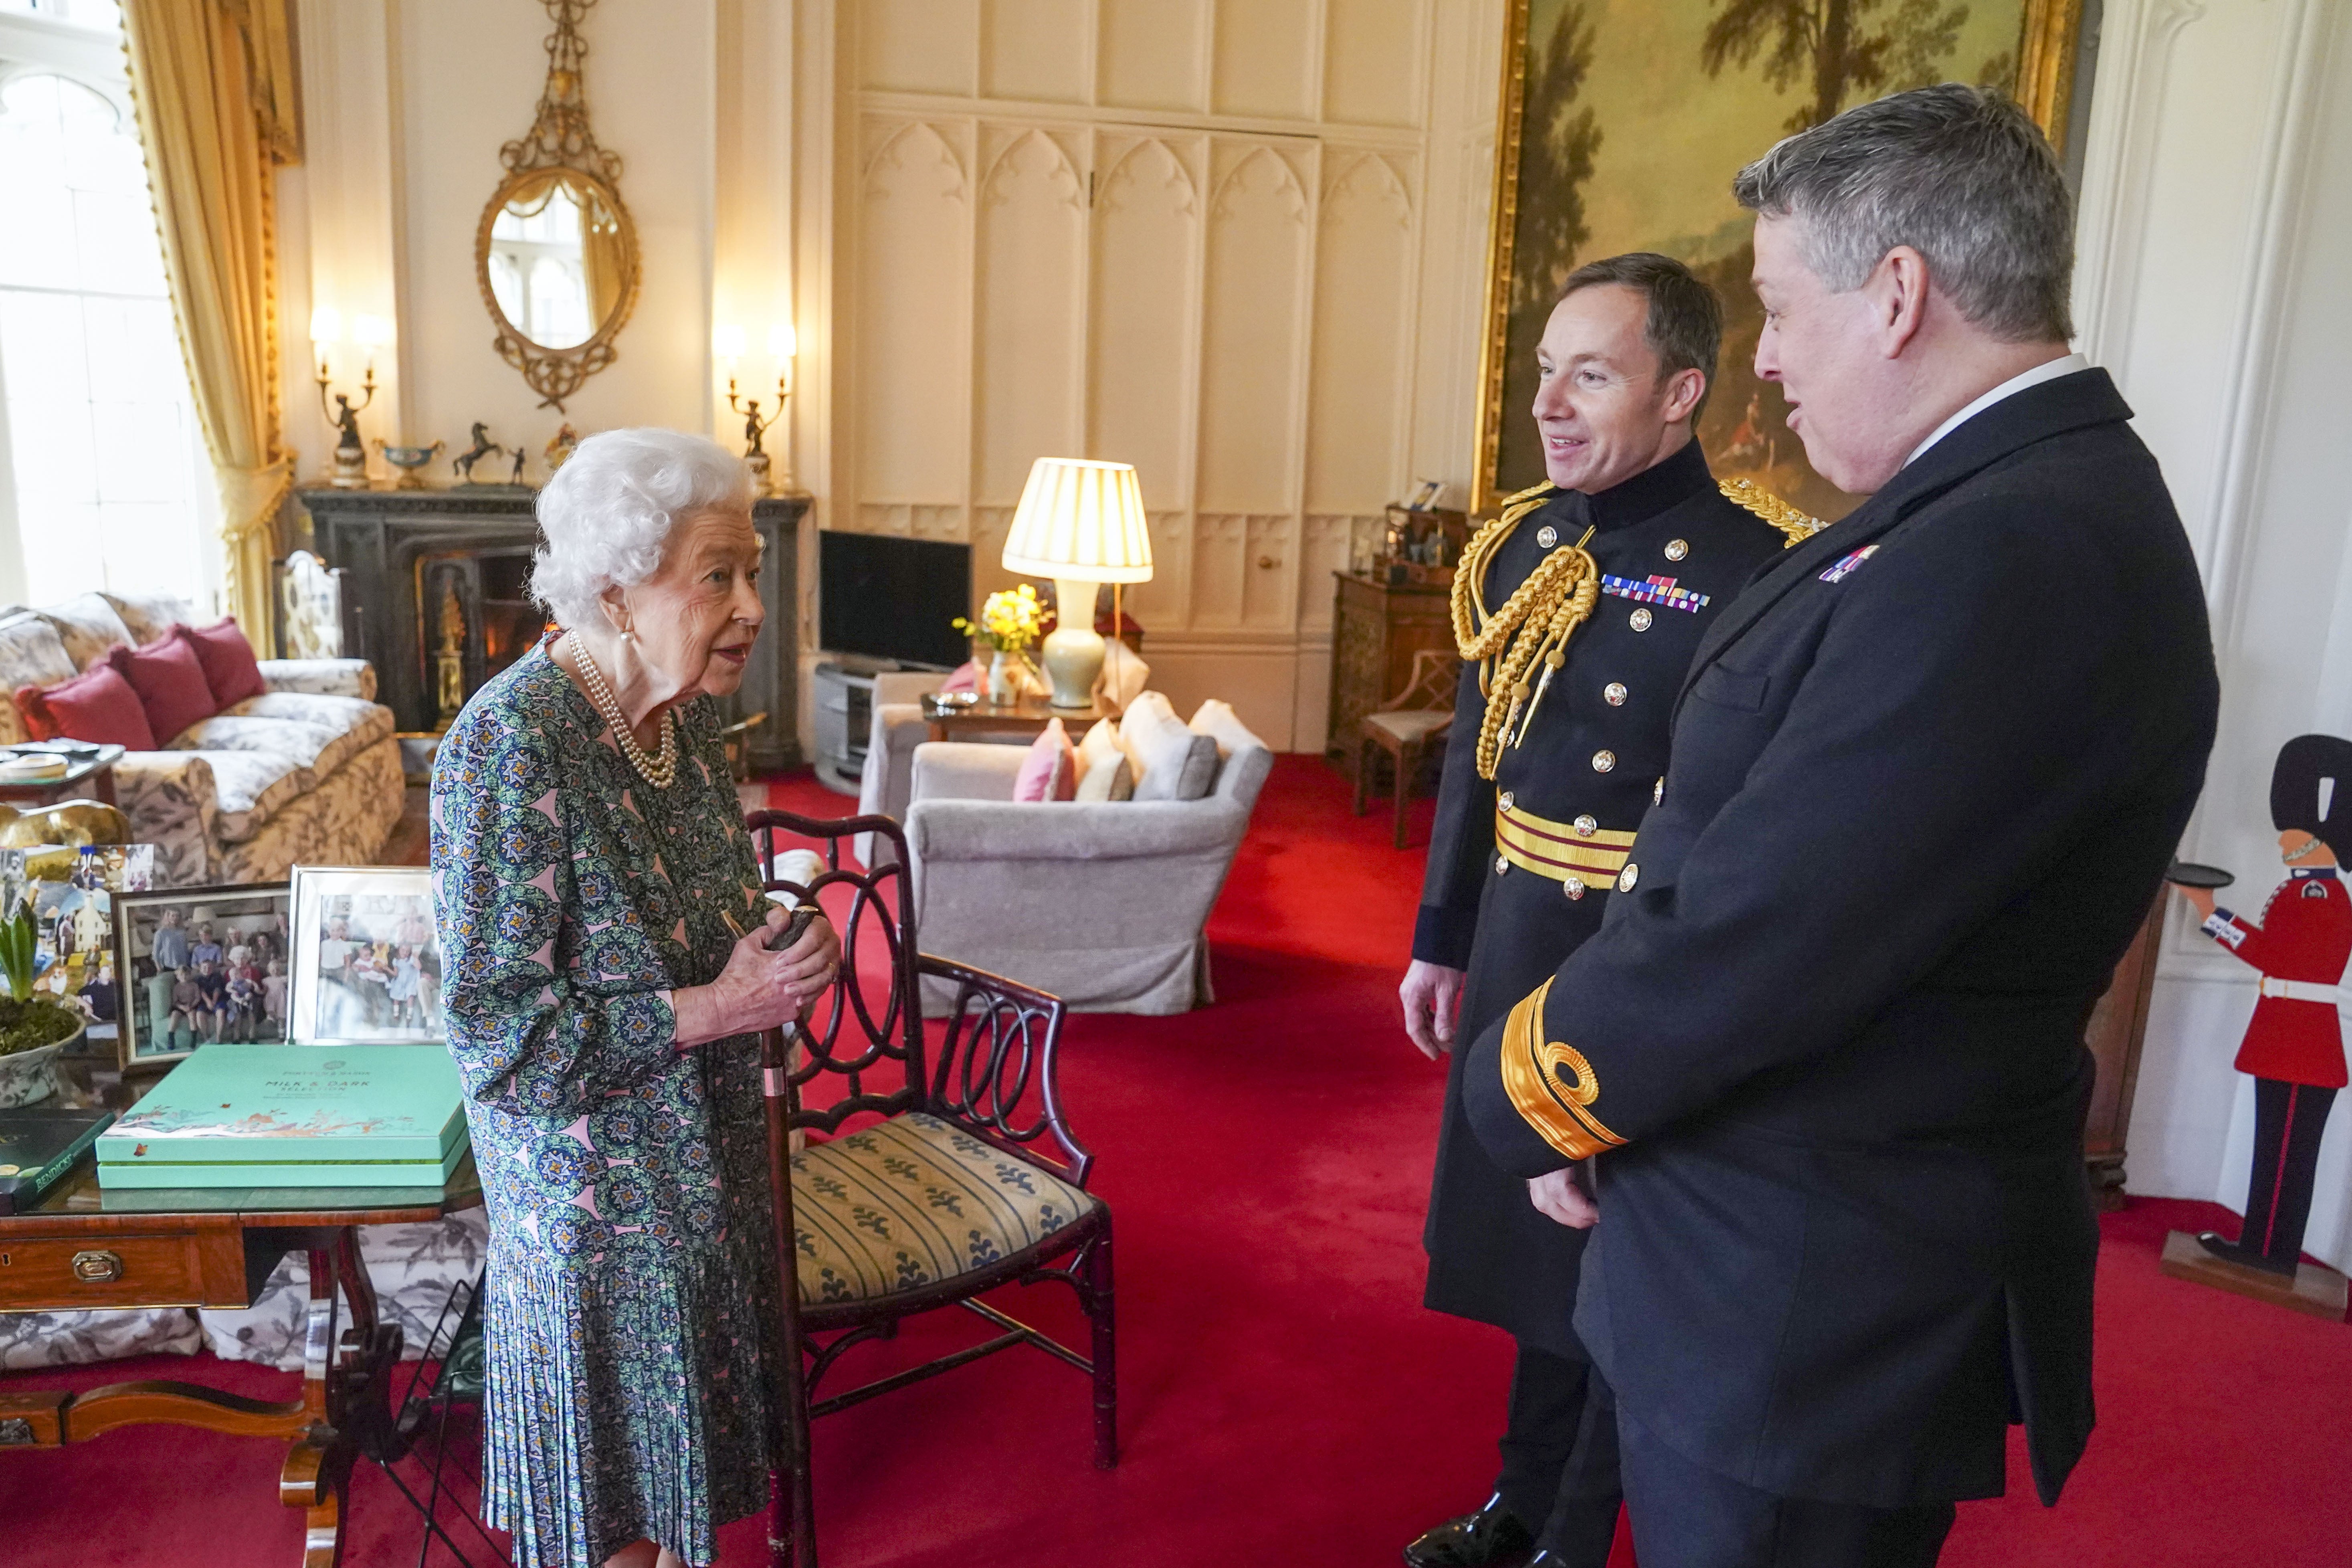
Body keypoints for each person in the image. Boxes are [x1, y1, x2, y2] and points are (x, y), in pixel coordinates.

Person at [1462, 85, 2219, 1567]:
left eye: (1774, 308)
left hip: (1808, 1296)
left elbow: (1764, 930)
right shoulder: (1997, 505)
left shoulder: (2005, 551)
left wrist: (1529, 1093)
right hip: (1771, 1255)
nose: (1762, 360)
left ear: (1893, 296)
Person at [1400, 254, 1806, 1568]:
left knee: (1611, 1265)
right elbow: (1482, 747)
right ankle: (1521, 1507)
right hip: (1521, 937)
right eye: (1542, 373)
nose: (1549, 404)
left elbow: (1733, 827)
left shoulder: (1753, 567)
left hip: (1635, 963)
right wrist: (1440, 936)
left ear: (1681, 391)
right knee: (1531, 1255)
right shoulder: (1523, 539)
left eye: (1590, 374)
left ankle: (1566, 1540)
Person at [434, 426, 839, 1568]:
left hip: (704, 1181)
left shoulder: (690, 721)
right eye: (719, 576)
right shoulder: (510, 748)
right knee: (611, 1539)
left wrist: (781, 942)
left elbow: (708, 917)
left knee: (676, 1524)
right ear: (614, 587)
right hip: (599, 1233)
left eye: (750, 571)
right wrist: (721, 1007)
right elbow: (502, 1044)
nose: (752, 606)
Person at [2177, 734, 2352, 1276]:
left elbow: (2275, 955)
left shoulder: (2321, 896)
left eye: (2293, 835)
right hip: (2287, 1036)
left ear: (2318, 842)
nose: (2283, 843)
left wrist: (2210, 913)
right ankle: (2260, 1243)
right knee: (2274, 1152)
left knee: (2285, 1160)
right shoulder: (2302, 890)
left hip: (2301, 1043)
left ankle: (2271, 1254)